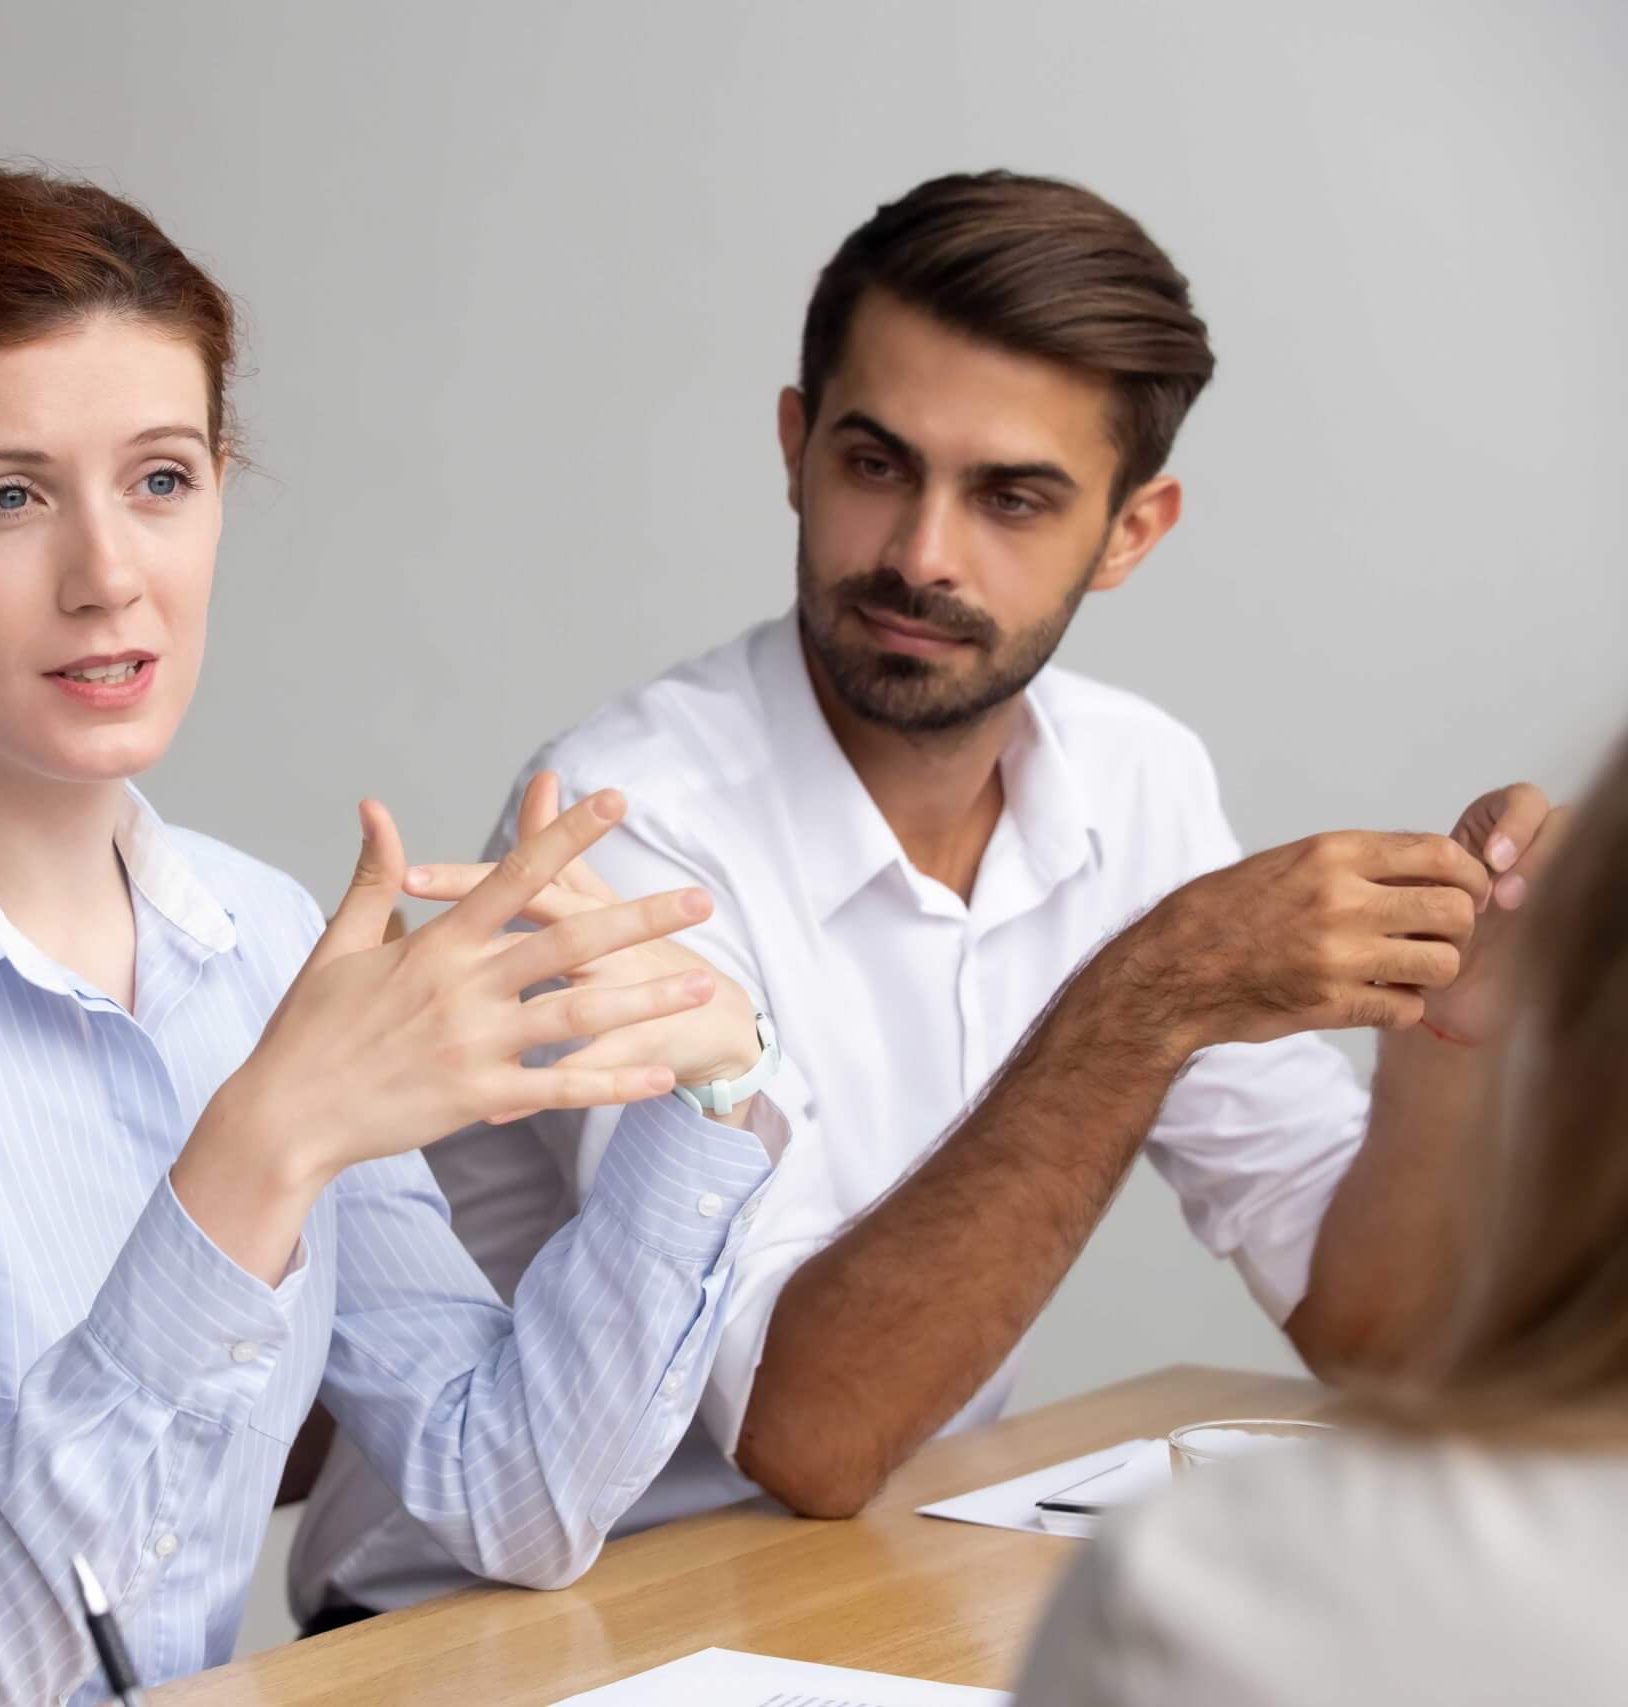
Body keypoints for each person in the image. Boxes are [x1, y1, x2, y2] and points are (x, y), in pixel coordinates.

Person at [291, 169, 1558, 1623]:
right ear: (795, 445)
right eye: (877, 464)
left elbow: (1379, 1335)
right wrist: (1147, 997)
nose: (919, 554)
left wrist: (1449, 1026)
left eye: (1012, 496)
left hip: (831, 1590)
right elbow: (806, 1432)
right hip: (482, 1633)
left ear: (1133, 532)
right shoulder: (626, 819)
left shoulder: (1137, 776)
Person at [0, 164, 786, 1705]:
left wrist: (705, 1088)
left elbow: (516, 1491)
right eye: (7, 497)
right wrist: (260, 1148)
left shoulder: (256, 931)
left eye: (161, 479)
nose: (109, 577)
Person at [1015, 732, 1616, 1706]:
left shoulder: (1208, 1582)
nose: (925, 566)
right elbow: (1378, 1342)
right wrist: (1446, 1027)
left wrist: (1143, 992)